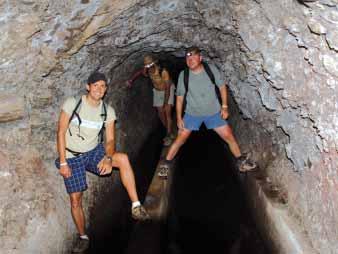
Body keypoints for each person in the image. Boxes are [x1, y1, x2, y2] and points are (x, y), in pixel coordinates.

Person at [56, 72, 150, 253]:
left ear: (106, 89)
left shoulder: (108, 111)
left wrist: (108, 158)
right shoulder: (73, 104)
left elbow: (110, 140)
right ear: (88, 86)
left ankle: (136, 206)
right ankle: (83, 236)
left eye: (103, 86)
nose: (99, 89)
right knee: (75, 200)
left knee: (122, 159)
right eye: (96, 85)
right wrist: (62, 162)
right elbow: (60, 133)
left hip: (93, 151)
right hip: (72, 156)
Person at [159, 46, 257, 177]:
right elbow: (180, 98)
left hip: (214, 113)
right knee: (180, 139)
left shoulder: (211, 69)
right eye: (188, 57)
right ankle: (166, 164)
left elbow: (222, 87)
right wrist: (178, 117)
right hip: (192, 114)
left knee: (229, 137)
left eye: (193, 57)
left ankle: (241, 162)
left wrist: (225, 106)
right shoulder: (184, 75)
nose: (190, 60)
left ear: (200, 58)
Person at [126, 54, 176, 146]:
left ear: (154, 63)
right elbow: (139, 73)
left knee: (167, 111)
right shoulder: (147, 71)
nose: (149, 67)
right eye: (147, 66)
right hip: (157, 90)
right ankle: (169, 130)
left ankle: (168, 135)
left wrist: (165, 103)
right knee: (160, 113)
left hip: (168, 89)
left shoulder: (163, 71)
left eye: (150, 65)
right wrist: (131, 80)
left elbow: (168, 88)